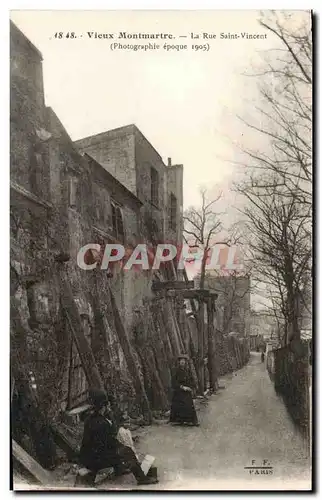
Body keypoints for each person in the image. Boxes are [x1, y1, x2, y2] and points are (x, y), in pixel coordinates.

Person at [79, 389, 158, 486]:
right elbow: (110, 443)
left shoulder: (90, 419)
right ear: (104, 406)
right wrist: (126, 448)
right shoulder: (103, 423)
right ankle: (141, 478)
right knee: (126, 451)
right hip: (95, 460)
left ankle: (119, 469)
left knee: (117, 450)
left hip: (86, 457)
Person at [169, 355, 199, 426]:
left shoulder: (187, 370)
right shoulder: (176, 370)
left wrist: (192, 387)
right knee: (179, 404)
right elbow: (173, 382)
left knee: (189, 404)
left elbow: (191, 379)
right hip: (179, 391)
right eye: (181, 360)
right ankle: (179, 420)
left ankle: (190, 421)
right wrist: (182, 387)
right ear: (179, 362)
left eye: (184, 360)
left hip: (187, 391)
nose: (182, 362)